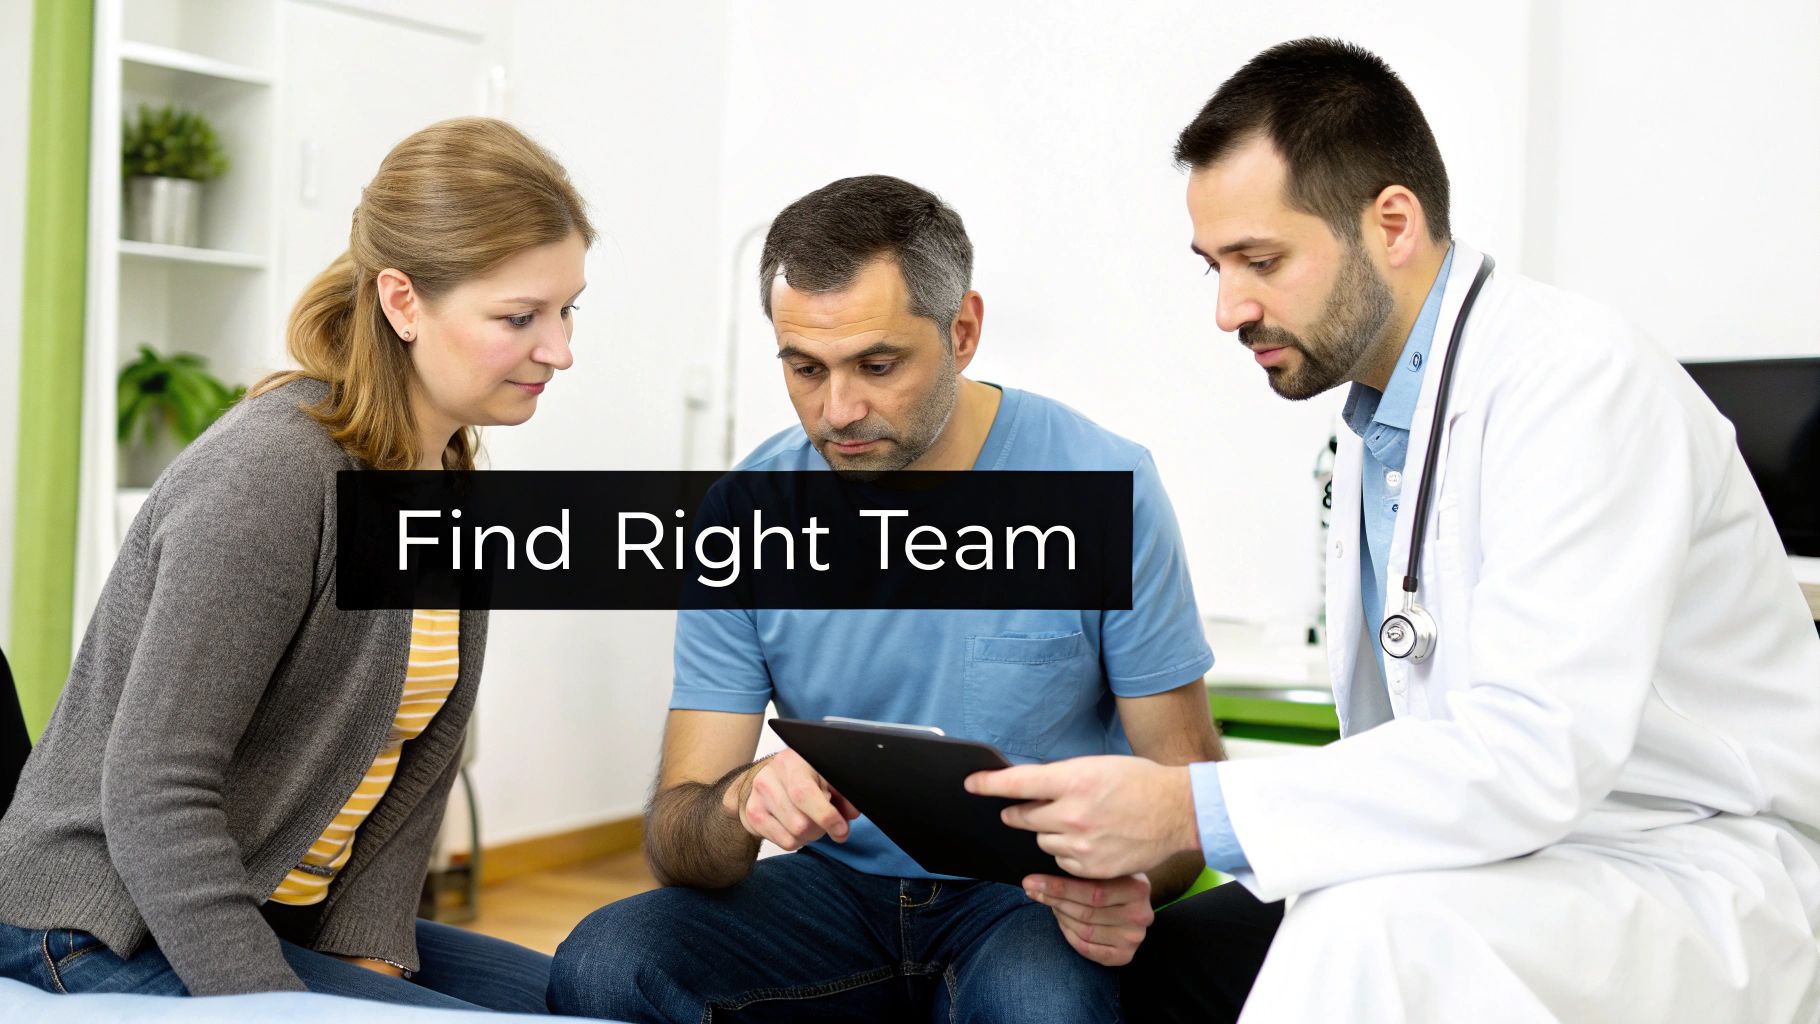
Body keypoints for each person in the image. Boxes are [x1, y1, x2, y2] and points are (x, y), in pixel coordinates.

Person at [967, 37, 1820, 1023]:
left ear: (1392, 223)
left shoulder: (1575, 383)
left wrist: (1186, 809)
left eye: (1260, 260)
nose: (1225, 307)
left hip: (1682, 858)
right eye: (1211, 265)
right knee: (1162, 966)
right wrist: (1163, 845)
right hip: (1509, 852)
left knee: (1362, 941)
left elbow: (1532, 752)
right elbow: (1415, 745)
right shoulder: (1377, 429)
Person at [548, 175, 1221, 1022]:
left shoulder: (1102, 488)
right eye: (805, 369)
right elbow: (680, 833)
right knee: (609, 963)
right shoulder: (746, 513)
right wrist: (742, 798)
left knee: (1040, 1006)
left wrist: (1123, 883)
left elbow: (1185, 793)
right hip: (833, 895)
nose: (839, 411)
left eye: (877, 364)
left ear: (963, 331)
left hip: (1028, 898)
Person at [0, 117, 593, 1011]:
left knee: (583, 999)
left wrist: (373, 961)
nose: (560, 350)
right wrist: (282, 1007)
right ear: (402, 302)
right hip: (103, 924)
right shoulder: (273, 474)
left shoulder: (449, 476)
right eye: (519, 317)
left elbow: (419, 767)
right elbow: (156, 791)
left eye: (566, 309)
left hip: (279, 903)